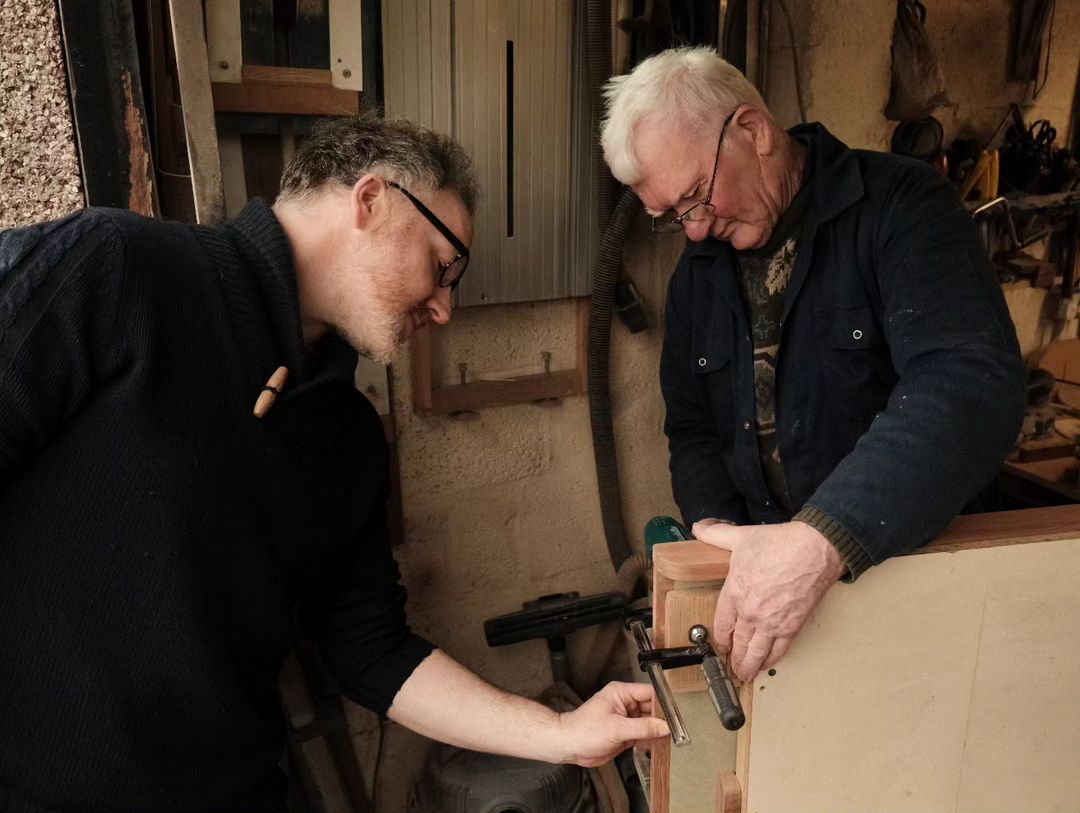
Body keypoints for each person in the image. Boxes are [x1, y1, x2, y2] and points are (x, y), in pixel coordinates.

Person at [0, 114, 667, 813]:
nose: (444, 308)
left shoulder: (345, 436)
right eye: (443, 268)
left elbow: (374, 651)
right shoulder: (117, 270)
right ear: (371, 200)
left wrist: (560, 733)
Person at [600, 47, 1025, 684]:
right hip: (780, 595)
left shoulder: (903, 208)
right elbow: (693, 428)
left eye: (695, 194)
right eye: (673, 217)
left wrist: (821, 540)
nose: (693, 231)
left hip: (917, 577)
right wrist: (719, 543)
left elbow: (968, 385)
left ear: (753, 130)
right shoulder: (700, 272)